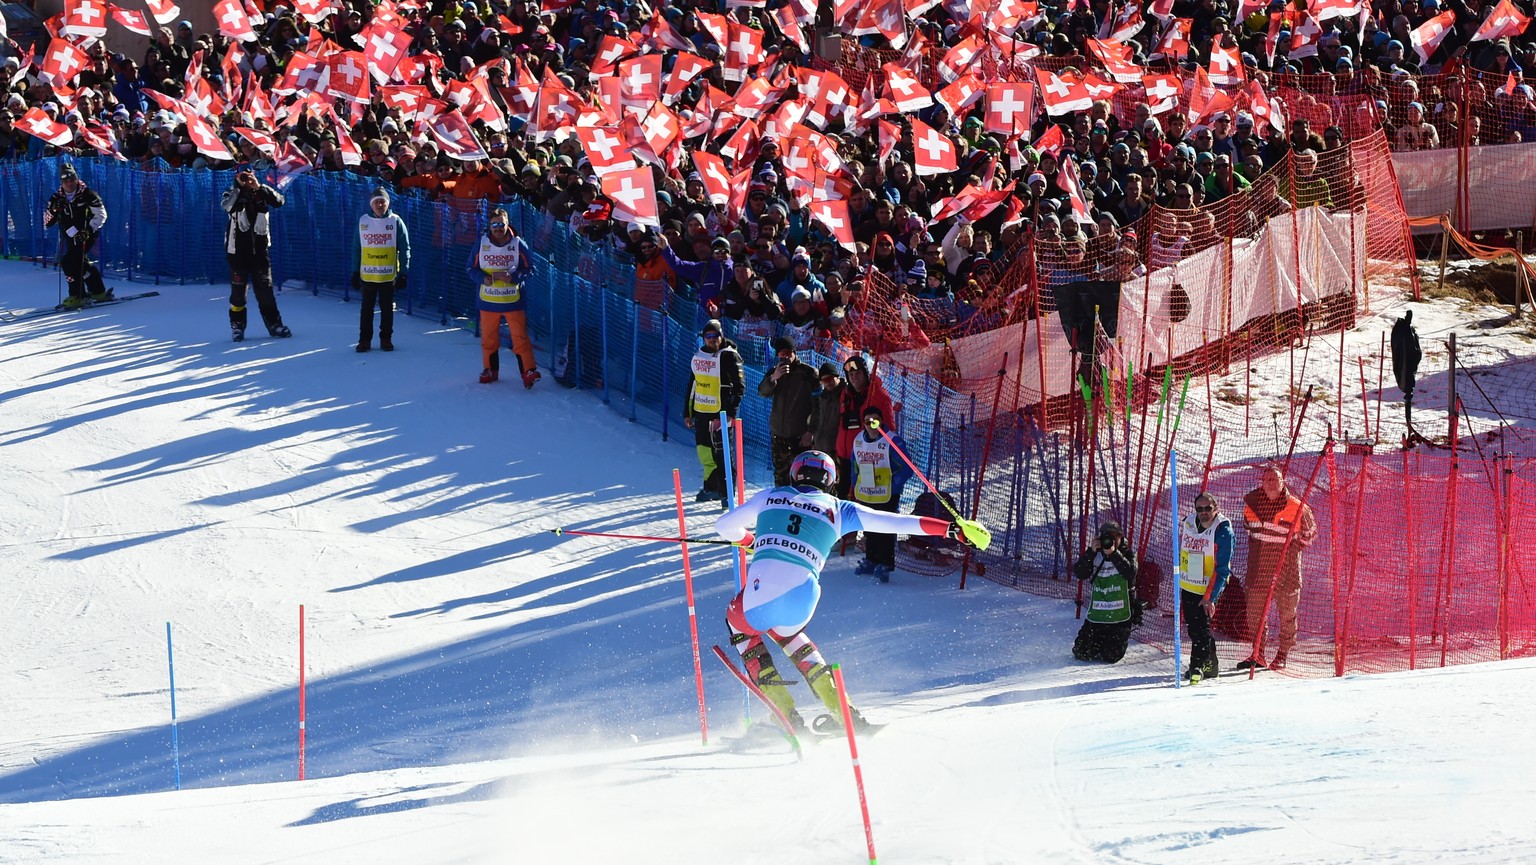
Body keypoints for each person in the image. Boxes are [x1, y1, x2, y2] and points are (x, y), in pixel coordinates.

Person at [714, 450, 991, 731]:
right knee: (787, 634)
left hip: (758, 602)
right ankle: (843, 711)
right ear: (831, 481)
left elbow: (723, 526)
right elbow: (895, 522)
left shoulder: (769, 496)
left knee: (740, 625)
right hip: (804, 598)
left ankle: (783, 712)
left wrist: (750, 540)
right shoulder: (841, 509)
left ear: (795, 474)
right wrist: (952, 530)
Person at [1238, 465, 1316, 671]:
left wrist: (1290, 551)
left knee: (1287, 615)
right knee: (1254, 615)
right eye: (1268, 479)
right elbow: (1250, 532)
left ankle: (1282, 654)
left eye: (1276, 479)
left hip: (1286, 572)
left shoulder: (1299, 508)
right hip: (1258, 571)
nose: (1272, 482)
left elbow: (1309, 536)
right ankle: (1258, 654)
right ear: (1262, 483)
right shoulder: (1250, 506)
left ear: (1283, 482)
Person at [466, 208, 538, 387]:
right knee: (489, 338)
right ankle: (490, 369)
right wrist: (482, 278)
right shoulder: (481, 243)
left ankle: (528, 371)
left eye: (501, 224)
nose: (498, 228)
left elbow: (531, 269)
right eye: (494, 224)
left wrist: (514, 278)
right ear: (489, 226)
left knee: (519, 338)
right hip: (488, 301)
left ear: (507, 224)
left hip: (513, 301)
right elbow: (470, 268)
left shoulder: (518, 244)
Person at [222, 166, 291, 342]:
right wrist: (239, 188)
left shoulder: (261, 191)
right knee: (238, 293)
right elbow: (227, 207)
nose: (245, 178)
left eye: (247, 173)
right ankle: (237, 326)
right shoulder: (230, 192)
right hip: (237, 251)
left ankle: (275, 324)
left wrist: (258, 187)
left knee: (265, 291)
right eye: (241, 175)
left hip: (259, 250)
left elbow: (279, 201)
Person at [683, 319, 744, 504]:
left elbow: (739, 387)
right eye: (708, 336)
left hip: (721, 413)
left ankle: (727, 493)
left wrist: (729, 414)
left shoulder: (729, 356)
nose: (712, 339)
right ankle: (711, 488)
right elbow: (693, 385)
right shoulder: (699, 356)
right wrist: (688, 412)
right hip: (702, 412)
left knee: (723, 453)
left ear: (721, 335)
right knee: (705, 452)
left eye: (715, 335)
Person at [849, 406, 913, 583]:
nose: (871, 425)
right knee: (869, 526)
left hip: (886, 493)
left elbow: (906, 467)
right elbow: (854, 465)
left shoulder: (892, 441)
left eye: (875, 421)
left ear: (881, 421)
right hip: (866, 491)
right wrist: (855, 485)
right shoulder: (859, 440)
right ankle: (871, 560)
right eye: (867, 422)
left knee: (885, 527)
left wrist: (894, 486)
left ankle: (885, 563)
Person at [1179, 492, 1235, 681]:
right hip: (1188, 584)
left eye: (1207, 509)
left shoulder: (1222, 532)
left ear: (1215, 508)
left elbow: (1222, 569)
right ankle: (1211, 665)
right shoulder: (1189, 522)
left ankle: (1197, 666)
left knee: (1201, 628)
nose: (1203, 513)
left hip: (1208, 587)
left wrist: (1210, 597)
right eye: (1199, 509)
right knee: (1195, 628)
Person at [352, 186, 411, 353]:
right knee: (366, 310)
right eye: (376, 202)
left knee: (386, 310)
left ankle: (386, 339)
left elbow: (405, 247)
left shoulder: (395, 221)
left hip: (388, 275)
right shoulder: (363, 221)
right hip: (368, 275)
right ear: (371, 204)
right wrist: (354, 271)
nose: (379, 205)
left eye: (383, 202)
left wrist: (403, 273)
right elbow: (356, 247)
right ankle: (364, 340)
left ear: (387, 203)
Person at [1072, 521, 1140, 664]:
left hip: (1120, 617)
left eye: (1115, 537)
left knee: (1111, 656)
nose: (1111, 541)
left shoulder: (1128, 553)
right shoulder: (1096, 554)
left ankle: (1112, 642)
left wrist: (1114, 554)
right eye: (1107, 537)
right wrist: (1090, 552)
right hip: (1098, 614)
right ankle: (1099, 642)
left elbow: (1130, 573)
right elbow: (1080, 573)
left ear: (1121, 538)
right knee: (1081, 652)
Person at [43, 162, 109, 309]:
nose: (69, 184)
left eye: (71, 180)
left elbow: (101, 215)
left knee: (67, 262)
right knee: (80, 264)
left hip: (86, 235)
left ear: (76, 179)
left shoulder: (87, 194)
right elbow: (47, 222)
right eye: (65, 181)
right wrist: (54, 210)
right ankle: (98, 291)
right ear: (61, 182)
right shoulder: (56, 197)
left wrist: (89, 230)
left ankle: (77, 295)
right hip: (70, 235)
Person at [757, 335, 819, 486]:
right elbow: (762, 392)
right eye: (781, 354)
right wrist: (774, 378)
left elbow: (818, 406)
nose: (785, 357)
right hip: (778, 435)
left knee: (801, 478)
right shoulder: (775, 372)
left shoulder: (808, 373)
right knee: (780, 477)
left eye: (788, 353)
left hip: (800, 436)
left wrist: (810, 432)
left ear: (794, 352)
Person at [835, 354, 895, 497]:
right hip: (844, 457)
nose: (854, 378)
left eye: (858, 374)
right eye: (851, 374)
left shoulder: (878, 395)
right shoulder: (845, 394)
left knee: (862, 497)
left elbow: (889, 428)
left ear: (866, 374)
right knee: (842, 496)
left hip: (866, 458)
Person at [810, 361, 845, 457]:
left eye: (830, 379)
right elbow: (818, 421)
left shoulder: (845, 395)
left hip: (836, 452)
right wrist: (814, 442)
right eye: (824, 381)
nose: (828, 383)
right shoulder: (823, 397)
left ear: (836, 377)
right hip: (820, 450)